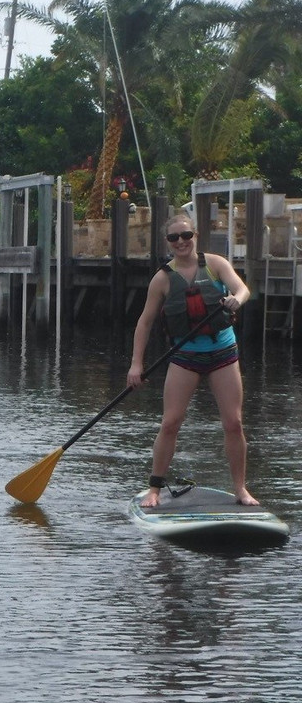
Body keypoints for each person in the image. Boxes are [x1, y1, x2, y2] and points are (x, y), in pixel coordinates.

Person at [127, 213, 256, 508]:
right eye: (174, 238)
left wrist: (237, 298)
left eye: (186, 235)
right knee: (171, 422)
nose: (181, 242)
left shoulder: (214, 264)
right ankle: (155, 489)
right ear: (168, 243)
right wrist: (136, 364)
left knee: (233, 423)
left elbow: (242, 288)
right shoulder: (162, 279)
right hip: (185, 356)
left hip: (223, 353)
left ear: (195, 235)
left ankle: (241, 489)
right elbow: (144, 323)